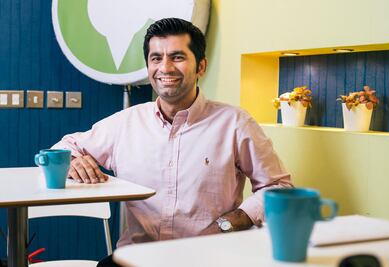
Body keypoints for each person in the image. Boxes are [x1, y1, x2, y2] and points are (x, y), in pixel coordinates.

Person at [52, 18, 292, 266]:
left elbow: (279, 187)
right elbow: (63, 147)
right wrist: (70, 161)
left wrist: (237, 219)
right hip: (137, 258)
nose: (165, 68)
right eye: (156, 58)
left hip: (209, 258)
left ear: (201, 67)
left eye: (177, 57)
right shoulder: (125, 123)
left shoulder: (235, 123)